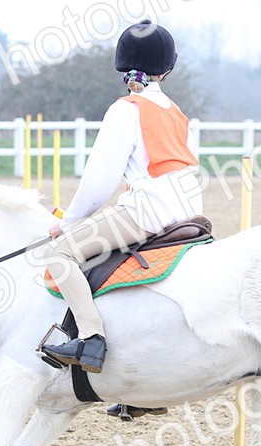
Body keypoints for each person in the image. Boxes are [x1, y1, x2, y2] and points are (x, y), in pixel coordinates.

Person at [39, 20, 202, 374]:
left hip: (149, 212)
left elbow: (98, 185)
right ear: (168, 69)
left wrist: (68, 223)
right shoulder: (177, 113)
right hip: (190, 212)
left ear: (122, 64)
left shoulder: (126, 109)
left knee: (60, 254)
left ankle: (91, 338)